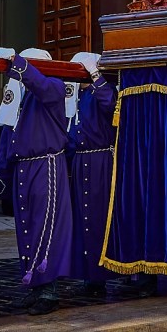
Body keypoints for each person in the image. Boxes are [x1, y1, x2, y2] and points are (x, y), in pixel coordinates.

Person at [0, 47, 73, 315]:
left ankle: (49, 289)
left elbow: (42, 86)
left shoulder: (55, 89)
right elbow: (7, 138)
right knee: (25, 229)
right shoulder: (19, 98)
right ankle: (34, 285)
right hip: (23, 167)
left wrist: (16, 62)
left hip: (46, 163)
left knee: (46, 226)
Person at [64, 52, 117, 296]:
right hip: (80, 161)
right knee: (82, 219)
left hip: (101, 161)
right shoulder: (77, 96)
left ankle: (101, 275)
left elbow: (110, 106)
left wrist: (96, 76)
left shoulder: (102, 89)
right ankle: (87, 273)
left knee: (99, 218)